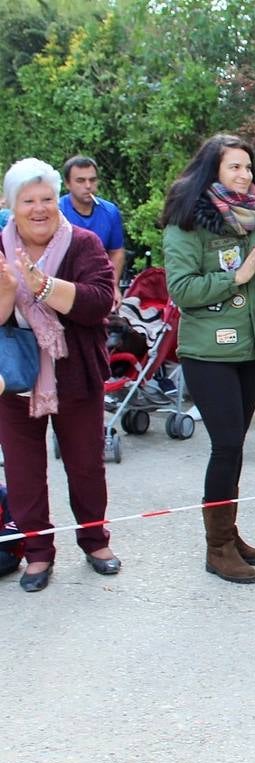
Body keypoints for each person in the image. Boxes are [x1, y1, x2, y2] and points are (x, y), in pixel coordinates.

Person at [161, 133, 255, 585]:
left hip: (252, 349)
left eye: (248, 167)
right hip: (208, 352)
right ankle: (217, 548)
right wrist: (237, 275)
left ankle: (228, 534)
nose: (244, 175)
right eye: (234, 167)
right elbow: (182, 291)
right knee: (227, 444)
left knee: (235, 447)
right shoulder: (186, 223)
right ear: (212, 169)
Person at [0, 157, 120, 592]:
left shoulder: (84, 243)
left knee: (86, 465)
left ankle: (95, 541)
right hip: (15, 380)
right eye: (28, 200)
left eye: (47, 198)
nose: (39, 208)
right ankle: (37, 553)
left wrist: (44, 286)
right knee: (23, 471)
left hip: (76, 374)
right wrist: (10, 292)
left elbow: (98, 302)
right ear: (11, 206)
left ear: (59, 201)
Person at [58, 156, 127, 307]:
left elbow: (116, 251)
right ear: (68, 183)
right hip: (64, 285)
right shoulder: (57, 211)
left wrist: (112, 286)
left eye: (93, 180)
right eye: (80, 181)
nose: (88, 186)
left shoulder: (110, 211)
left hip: (99, 282)